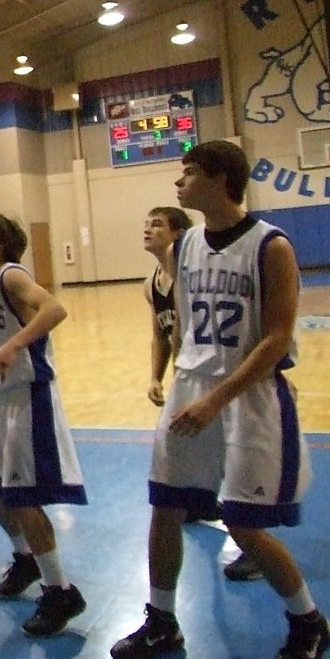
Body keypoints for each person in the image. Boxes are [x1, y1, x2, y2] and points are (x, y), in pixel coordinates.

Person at [110, 140, 330, 659]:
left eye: (187, 173)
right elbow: (180, 327)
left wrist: (217, 397)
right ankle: (161, 619)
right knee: (165, 507)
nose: (178, 183)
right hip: (194, 388)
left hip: (249, 397)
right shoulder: (184, 248)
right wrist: (179, 381)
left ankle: (310, 622)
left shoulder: (270, 246)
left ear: (217, 178)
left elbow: (278, 337)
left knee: (243, 522)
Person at [0, 211, 88, 637]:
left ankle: (61, 590)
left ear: (0, 241)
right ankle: (26, 559)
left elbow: (54, 309)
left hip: (28, 397)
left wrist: (14, 347)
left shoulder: (11, 277)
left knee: (24, 497)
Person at [144, 206, 260, 583]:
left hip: (221, 380)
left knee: (234, 464)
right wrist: (157, 377)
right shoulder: (152, 284)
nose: (147, 230)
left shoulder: (196, 271)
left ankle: (254, 546)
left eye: (156, 225)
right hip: (190, 379)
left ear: (177, 234)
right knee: (186, 459)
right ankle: (199, 501)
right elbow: (162, 335)